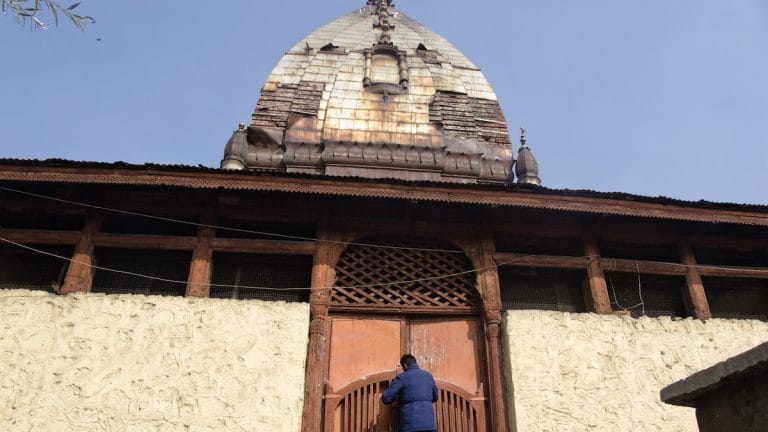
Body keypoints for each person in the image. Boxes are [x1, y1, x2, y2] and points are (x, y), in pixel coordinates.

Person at [382, 354, 439, 432]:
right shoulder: (428, 376)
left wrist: (396, 400)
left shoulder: (402, 377)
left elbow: (386, 397)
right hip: (429, 426)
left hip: (410, 426)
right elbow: (435, 397)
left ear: (405, 365)